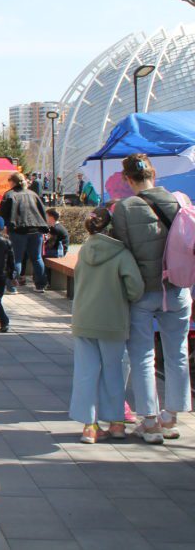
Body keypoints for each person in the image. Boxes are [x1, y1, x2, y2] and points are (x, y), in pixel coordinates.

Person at [111, 153, 192, 443]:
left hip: (143, 291)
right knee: (177, 352)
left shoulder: (125, 208)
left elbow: (122, 251)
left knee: (142, 355)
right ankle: (170, 416)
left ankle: (148, 419)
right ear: (153, 174)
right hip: (178, 288)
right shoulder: (179, 201)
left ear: (127, 178)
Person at [70, 207, 144, 444]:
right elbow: (135, 289)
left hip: (83, 319)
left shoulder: (84, 250)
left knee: (85, 372)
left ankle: (89, 426)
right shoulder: (122, 254)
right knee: (113, 371)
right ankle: (116, 423)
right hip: (112, 320)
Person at [0, 171, 48, 294]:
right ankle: (40, 286)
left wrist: (6, 225)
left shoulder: (9, 195)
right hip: (36, 229)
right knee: (37, 258)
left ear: (13, 182)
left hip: (18, 230)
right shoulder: (33, 194)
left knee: (16, 258)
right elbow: (42, 211)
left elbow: (3, 212)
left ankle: (12, 287)